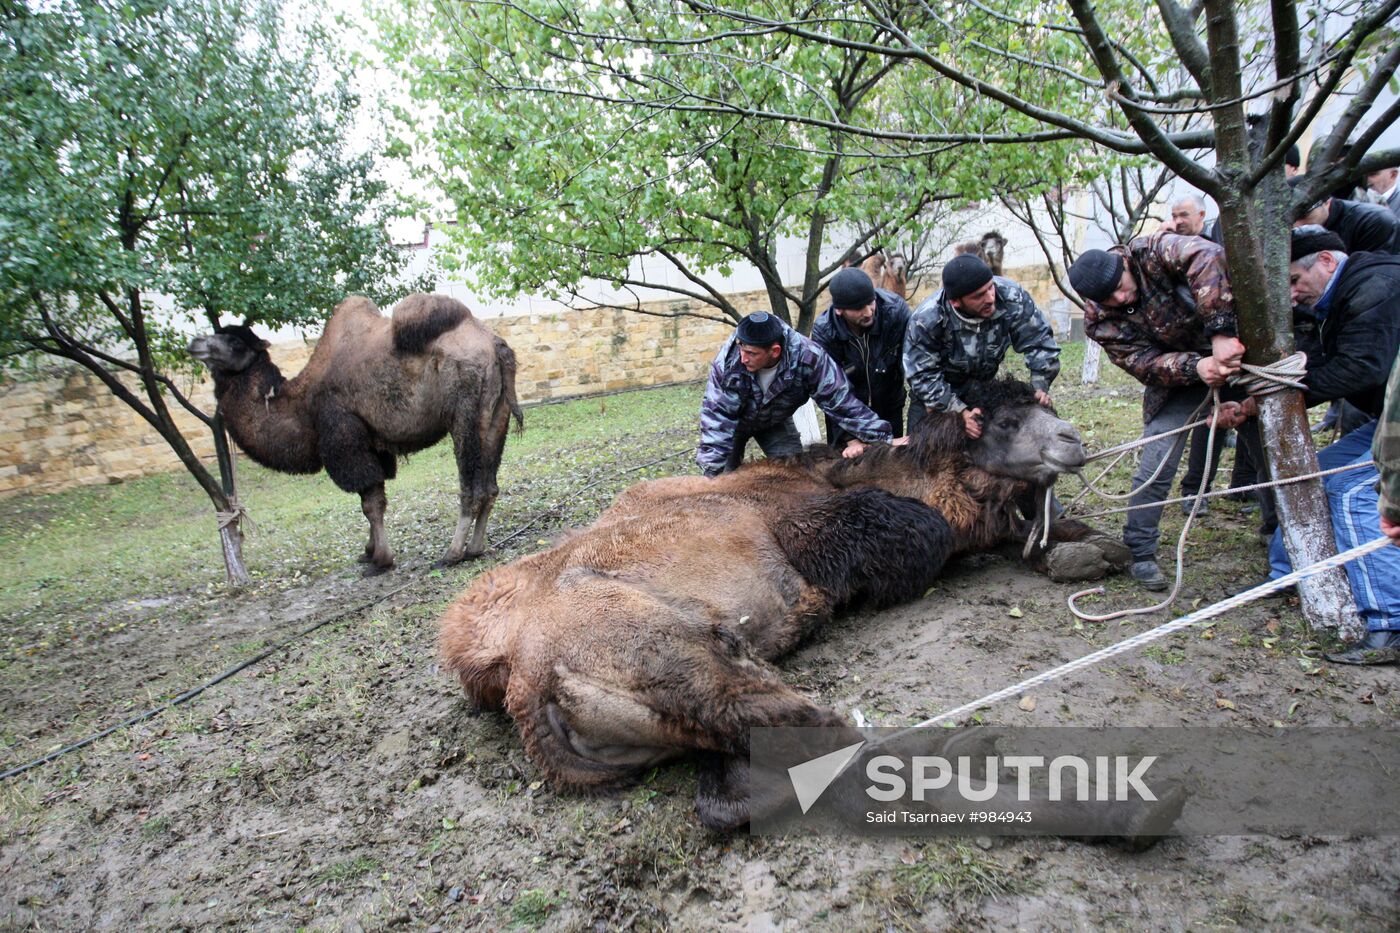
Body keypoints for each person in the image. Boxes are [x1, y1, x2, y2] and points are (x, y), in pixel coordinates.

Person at [1235, 227, 1400, 663]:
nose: (1291, 294)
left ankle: (1391, 623)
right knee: (1315, 472)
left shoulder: (1379, 285)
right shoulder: (1339, 297)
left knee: (1351, 494)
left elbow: (1360, 368)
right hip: (1389, 415)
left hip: (1395, 418)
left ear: (1326, 260)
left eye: (1294, 280)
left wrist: (1278, 396)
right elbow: (1325, 360)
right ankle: (1287, 573)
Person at [1068, 231, 1265, 591]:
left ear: (1125, 264)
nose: (1118, 297)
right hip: (1177, 379)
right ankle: (1140, 550)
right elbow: (1142, 362)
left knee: (1266, 450)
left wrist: (1220, 333)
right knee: (1155, 461)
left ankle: (1276, 534)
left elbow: (1206, 256)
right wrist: (1196, 367)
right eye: (1106, 297)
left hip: (1241, 356)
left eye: (1120, 286)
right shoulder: (1099, 320)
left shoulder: (1153, 251)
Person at [696, 311, 894, 476]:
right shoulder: (728, 364)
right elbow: (717, 420)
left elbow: (841, 401)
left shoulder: (808, 357)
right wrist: (711, 475)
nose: (743, 358)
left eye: (752, 353)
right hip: (733, 426)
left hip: (774, 422)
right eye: (741, 349)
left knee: (795, 476)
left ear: (775, 351)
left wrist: (884, 439)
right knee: (724, 480)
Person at [903, 254, 1060, 438]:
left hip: (984, 388)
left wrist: (1039, 386)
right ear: (956, 302)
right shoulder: (926, 319)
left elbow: (1039, 341)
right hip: (938, 393)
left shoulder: (1012, 297)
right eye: (978, 296)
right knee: (921, 456)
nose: (990, 298)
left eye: (990, 288)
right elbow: (922, 376)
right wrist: (958, 412)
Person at [810, 267, 912, 449]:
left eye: (870, 302)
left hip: (888, 404)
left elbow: (915, 362)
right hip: (845, 416)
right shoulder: (825, 331)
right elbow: (830, 391)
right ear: (839, 310)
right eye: (858, 308)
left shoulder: (895, 312)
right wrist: (850, 439)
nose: (868, 312)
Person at [1290, 179, 1400, 255]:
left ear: (1327, 202)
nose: (1295, 226)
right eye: (1287, 219)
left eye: (1303, 215)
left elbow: (1376, 276)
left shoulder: (1374, 222)